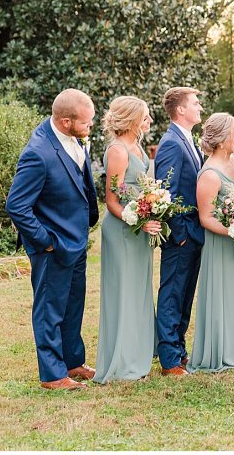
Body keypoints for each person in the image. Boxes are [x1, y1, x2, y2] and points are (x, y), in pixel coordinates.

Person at [6, 89, 99, 390]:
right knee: (49, 310)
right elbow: (16, 205)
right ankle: (52, 374)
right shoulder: (38, 152)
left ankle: (73, 361)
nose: (90, 127)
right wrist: (45, 241)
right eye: (85, 123)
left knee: (73, 305)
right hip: (53, 247)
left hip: (76, 241)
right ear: (65, 121)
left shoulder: (73, 141)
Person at [94, 96, 158, 383]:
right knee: (123, 293)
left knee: (139, 291)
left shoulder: (138, 147)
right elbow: (112, 201)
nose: (150, 121)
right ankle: (120, 362)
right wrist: (139, 221)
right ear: (132, 119)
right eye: (145, 116)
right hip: (122, 229)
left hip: (138, 228)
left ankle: (137, 355)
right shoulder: (118, 151)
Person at [189, 113, 234, 372]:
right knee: (225, 295)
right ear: (220, 140)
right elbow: (205, 218)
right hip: (222, 244)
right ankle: (224, 351)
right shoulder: (209, 175)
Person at [154, 86, 205, 376]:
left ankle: (180, 351)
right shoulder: (172, 143)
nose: (200, 107)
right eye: (195, 103)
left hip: (194, 232)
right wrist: (180, 232)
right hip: (181, 234)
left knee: (185, 295)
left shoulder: (189, 140)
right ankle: (170, 359)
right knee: (173, 294)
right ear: (181, 110)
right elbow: (166, 191)